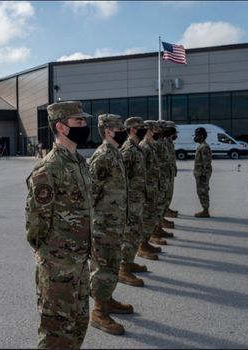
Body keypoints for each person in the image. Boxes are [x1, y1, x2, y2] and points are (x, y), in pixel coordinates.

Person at [25, 101, 92, 348]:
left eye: (84, 121)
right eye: (79, 121)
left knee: (78, 324)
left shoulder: (80, 163)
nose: (85, 126)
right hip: (58, 266)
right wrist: (51, 256)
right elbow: (35, 224)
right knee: (55, 332)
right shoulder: (49, 168)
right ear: (61, 127)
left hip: (81, 262)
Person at [87, 114, 131, 336]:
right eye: (119, 128)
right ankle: (98, 312)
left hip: (114, 224)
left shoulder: (115, 154)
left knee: (112, 265)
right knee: (102, 268)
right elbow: (90, 195)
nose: (123, 131)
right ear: (107, 131)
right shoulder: (102, 156)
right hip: (103, 227)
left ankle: (108, 299)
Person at [119, 117, 148, 285]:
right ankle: (122, 268)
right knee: (129, 234)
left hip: (138, 199)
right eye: (140, 127)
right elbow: (122, 178)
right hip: (130, 201)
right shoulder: (128, 150)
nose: (143, 129)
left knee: (135, 232)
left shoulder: (137, 148)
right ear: (131, 130)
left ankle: (129, 262)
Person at [137, 121, 162, 260]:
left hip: (152, 187)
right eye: (151, 130)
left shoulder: (150, 146)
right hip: (146, 188)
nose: (154, 133)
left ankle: (145, 242)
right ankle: (141, 246)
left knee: (151, 216)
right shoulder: (144, 147)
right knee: (145, 217)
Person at [193, 127, 212, 217]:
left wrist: (204, 175)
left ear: (201, 136)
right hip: (200, 173)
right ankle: (205, 209)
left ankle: (205, 210)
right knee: (201, 191)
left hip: (202, 174)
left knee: (203, 191)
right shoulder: (201, 146)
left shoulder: (204, 147)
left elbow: (206, 162)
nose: (195, 137)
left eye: (197, 136)